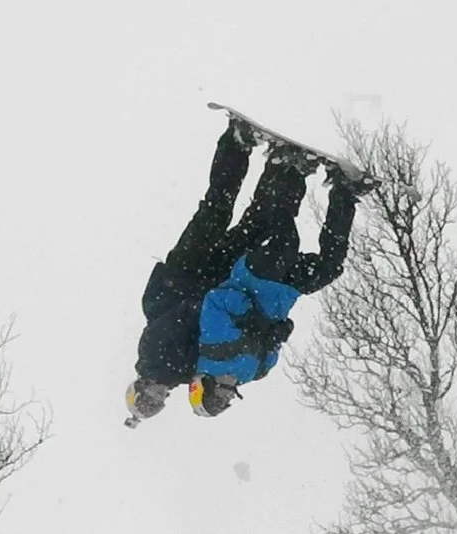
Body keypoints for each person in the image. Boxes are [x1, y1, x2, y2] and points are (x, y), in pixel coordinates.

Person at [124, 115, 377, 427]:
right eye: (158, 404)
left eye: (149, 397)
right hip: (213, 277)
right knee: (256, 225)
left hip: (186, 271)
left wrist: (241, 317)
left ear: (139, 386)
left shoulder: (151, 354)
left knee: (216, 210)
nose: (159, 396)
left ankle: (237, 143)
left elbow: (189, 315)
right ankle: (283, 168)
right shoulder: (187, 371)